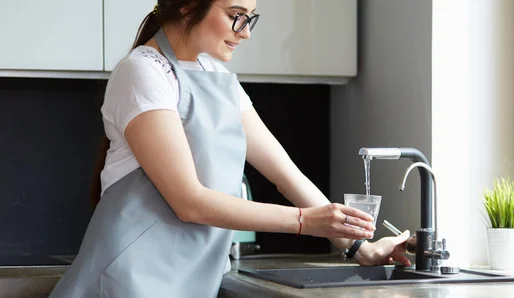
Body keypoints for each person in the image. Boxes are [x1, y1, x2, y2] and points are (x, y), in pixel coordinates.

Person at [50, 0, 411, 297]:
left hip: (189, 283)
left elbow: (287, 176)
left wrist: (359, 248)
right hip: (126, 283)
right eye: (236, 16)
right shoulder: (143, 72)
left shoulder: (220, 79)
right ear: (190, 6)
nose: (246, 32)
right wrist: (303, 222)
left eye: (250, 18)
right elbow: (189, 201)